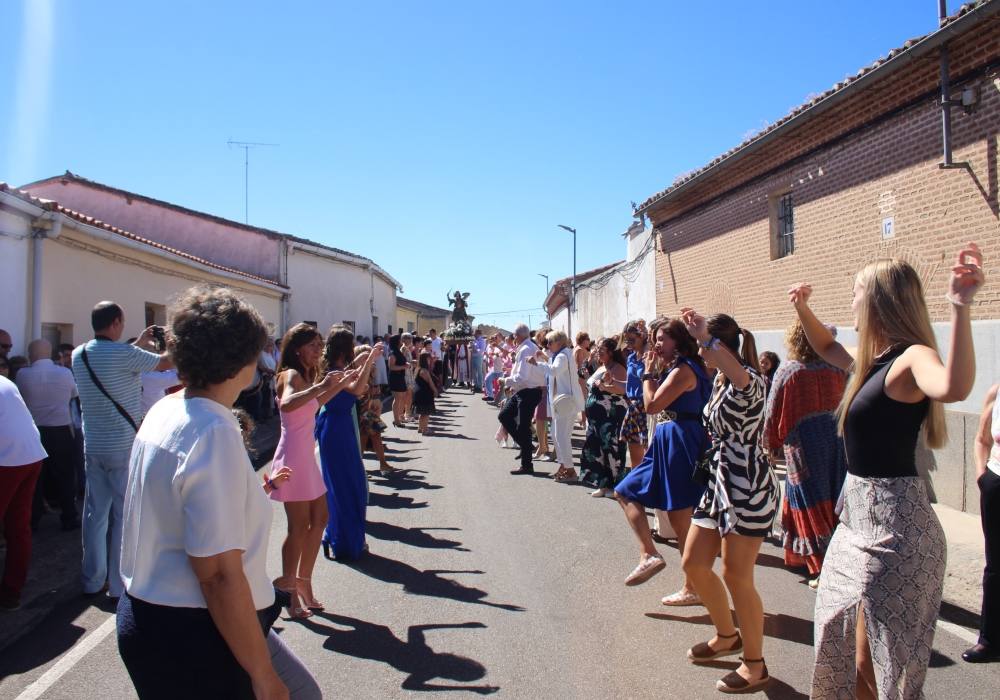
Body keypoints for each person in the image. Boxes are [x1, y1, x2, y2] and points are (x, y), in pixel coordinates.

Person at [794, 244, 984, 698]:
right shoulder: (869, 362)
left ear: (878, 299)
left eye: (857, 290)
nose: (852, 299)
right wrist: (802, 307)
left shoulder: (912, 358)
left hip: (897, 530)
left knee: (877, 663)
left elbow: (954, 386)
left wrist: (959, 308)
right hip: (855, 523)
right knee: (840, 646)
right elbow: (823, 345)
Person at [116, 286, 319, 699]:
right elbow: (217, 575)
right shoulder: (213, 432)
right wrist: (262, 675)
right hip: (194, 629)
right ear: (241, 361)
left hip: (153, 616)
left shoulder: (168, 408)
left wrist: (261, 584)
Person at [679, 309, 778, 694]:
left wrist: (706, 339)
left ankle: (755, 664)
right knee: (694, 564)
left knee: (736, 575)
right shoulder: (720, 380)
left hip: (749, 487)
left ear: (722, 346)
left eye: (705, 345)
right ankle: (726, 635)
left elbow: (736, 372)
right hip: (719, 486)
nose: (700, 352)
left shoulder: (747, 378)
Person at [72, 301, 171, 599]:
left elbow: (118, 361)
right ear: (116, 322)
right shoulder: (124, 354)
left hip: (94, 445)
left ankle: (92, 580)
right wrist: (171, 341)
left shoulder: (80, 354)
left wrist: (139, 343)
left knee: (94, 514)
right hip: (123, 446)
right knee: (122, 514)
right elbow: (165, 362)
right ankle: (118, 585)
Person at [614, 317, 711, 601]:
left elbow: (652, 405)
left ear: (679, 341)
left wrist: (647, 374)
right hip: (670, 438)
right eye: (655, 338)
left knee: (681, 519)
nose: (656, 344)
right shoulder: (680, 368)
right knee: (625, 491)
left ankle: (693, 587)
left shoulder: (684, 370)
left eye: (662, 339)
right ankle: (649, 554)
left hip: (680, 440)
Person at [270, 323, 353, 620]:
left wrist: (340, 384)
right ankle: (289, 595)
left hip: (304, 457)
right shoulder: (290, 375)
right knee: (297, 528)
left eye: (321, 344)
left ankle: (302, 581)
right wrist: (322, 386)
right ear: (297, 348)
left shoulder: (308, 376)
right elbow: (291, 404)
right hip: (293, 458)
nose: (320, 350)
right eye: (314, 345)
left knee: (320, 519)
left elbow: (314, 404)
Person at [762, 320, 847, 584]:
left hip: (802, 443)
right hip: (837, 440)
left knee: (807, 497)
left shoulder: (789, 370)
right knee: (833, 497)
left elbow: (773, 407)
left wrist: (769, 441)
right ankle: (816, 557)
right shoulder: (838, 368)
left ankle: (820, 564)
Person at [317, 326, 383, 561]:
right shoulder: (335, 371)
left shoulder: (336, 369)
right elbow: (356, 390)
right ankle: (344, 541)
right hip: (337, 429)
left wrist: (363, 361)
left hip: (337, 426)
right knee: (347, 486)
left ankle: (332, 535)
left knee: (343, 484)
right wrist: (370, 361)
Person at [16, 339, 80, 531]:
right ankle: (69, 516)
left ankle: (33, 519)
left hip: (34, 431)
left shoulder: (22, 374)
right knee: (66, 476)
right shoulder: (64, 373)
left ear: (32, 354)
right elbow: (73, 394)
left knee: (35, 478)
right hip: (60, 429)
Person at [0, 375, 47, 610]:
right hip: (30, 455)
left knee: (17, 527)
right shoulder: (5, 383)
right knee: (18, 527)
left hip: (8, 460)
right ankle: (11, 592)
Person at [965, 384, 1000, 663]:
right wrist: (981, 474)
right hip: (997, 484)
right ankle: (989, 640)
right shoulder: (996, 393)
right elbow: (981, 439)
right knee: (996, 567)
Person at [579, 337, 629, 497]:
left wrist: (607, 385)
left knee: (612, 449)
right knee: (597, 448)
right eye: (597, 348)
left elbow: (623, 390)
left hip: (610, 417)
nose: (597, 351)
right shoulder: (602, 367)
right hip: (596, 419)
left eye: (601, 349)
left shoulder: (618, 367)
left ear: (611, 352)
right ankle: (602, 484)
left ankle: (616, 486)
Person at [498, 323, 547, 475]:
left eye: (514, 335)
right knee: (505, 416)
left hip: (529, 391)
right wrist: (512, 382)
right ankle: (526, 446)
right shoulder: (527, 347)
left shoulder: (526, 348)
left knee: (522, 426)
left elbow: (523, 376)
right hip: (524, 390)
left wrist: (506, 380)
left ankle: (527, 463)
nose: (513, 338)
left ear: (518, 336)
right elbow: (522, 375)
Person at [546, 330, 585, 483]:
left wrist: (538, 363)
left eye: (550, 342)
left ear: (559, 343)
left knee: (561, 437)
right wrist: (544, 359)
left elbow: (555, 370)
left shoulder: (562, 356)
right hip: (564, 402)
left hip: (566, 402)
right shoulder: (562, 354)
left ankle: (570, 470)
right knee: (558, 436)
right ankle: (564, 465)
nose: (547, 345)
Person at [354, 345, 394, 475]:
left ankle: (383, 464)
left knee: (375, 435)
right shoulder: (358, 371)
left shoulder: (372, 369)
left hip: (369, 410)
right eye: (367, 354)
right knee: (364, 438)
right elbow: (359, 391)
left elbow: (374, 390)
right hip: (361, 410)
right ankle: (359, 468)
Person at [620, 320, 651, 470]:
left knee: (647, 452)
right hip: (632, 406)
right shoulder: (631, 357)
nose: (629, 342)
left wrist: (646, 332)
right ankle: (634, 489)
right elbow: (629, 385)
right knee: (634, 456)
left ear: (642, 337)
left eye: (632, 339)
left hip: (645, 407)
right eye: (627, 339)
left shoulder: (648, 355)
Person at [532, 331, 552, 461]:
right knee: (540, 418)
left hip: (548, 387)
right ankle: (544, 446)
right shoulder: (544, 349)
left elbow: (552, 365)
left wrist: (542, 356)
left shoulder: (549, 351)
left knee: (543, 418)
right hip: (541, 386)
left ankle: (544, 447)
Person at [387, 334, 410, 428]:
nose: (402, 341)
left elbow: (400, 362)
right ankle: (396, 420)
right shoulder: (393, 352)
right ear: (396, 341)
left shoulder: (398, 351)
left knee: (401, 397)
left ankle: (398, 418)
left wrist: (406, 363)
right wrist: (403, 366)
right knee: (397, 398)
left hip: (400, 376)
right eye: (400, 340)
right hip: (395, 377)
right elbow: (391, 367)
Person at [414, 353, 438, 435]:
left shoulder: (418, 369)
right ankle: (425, 429)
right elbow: (430, 383)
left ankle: (420, 428)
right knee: (426, 413)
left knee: (422, 412)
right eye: (428, 359)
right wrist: (435, 391)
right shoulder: (424, 371)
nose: (430, 360)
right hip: (425, 394)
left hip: (420, 393)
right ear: (425, 360)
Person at [574, 332, 594, 428]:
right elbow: (581, 366)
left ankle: (583, 420)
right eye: (588, 338)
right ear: (583, 340)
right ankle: (584, 420)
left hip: (581, 377)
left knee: (583, 398)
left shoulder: (579, 349)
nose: (589, 341)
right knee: (584, 399)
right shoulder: (579, 350)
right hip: (581, 378)